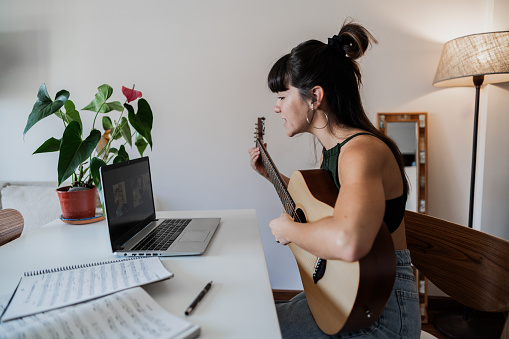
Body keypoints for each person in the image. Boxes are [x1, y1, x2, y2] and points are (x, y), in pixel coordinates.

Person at [248, 21, 421, 338]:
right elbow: (326, 208)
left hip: (381, 315)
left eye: (283, 95)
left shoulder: (360, 152)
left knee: (252, 327)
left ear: (314, 96)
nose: (276, 107)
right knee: (254, 315)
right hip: (353, 293)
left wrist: (289, 230)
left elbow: (349, 240)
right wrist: (272, 177)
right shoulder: (337, 151)